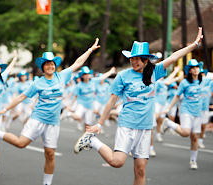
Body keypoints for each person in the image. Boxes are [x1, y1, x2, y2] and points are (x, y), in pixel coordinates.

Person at [74, 28, 203, 185]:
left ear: (146, 60)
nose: (134, 61)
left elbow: (174, 56)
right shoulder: (123, 76)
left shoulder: (154, 72)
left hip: (145, 128)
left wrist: (194, 45)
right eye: (132, 58)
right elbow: (111, 101)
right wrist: (99, 124)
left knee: (141, 170)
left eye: (138, 59)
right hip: (127, 125)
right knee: (117, 162)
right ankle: (92, 141)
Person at [0, 38, 101, 185]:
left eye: (52, 64)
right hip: (37, 119)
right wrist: (5, 109)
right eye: (47, 64)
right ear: (43, 67)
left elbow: (78, 63)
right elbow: (21, 97)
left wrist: (90, 50)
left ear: (55, 65)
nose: (50, 66)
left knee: (50, 154)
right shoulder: (37, 83)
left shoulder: (62, 76)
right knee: (21, 143)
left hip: (53, 122)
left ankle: (46, 183)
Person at [161, 58, 209, 170]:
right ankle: (168, 123)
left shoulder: (204, 81)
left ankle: (193, 160)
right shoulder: (184, 83)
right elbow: (177, 96)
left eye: (197, 67)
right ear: (189, 71)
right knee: (186, 133)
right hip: (186, 111)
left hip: (198, 113)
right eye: (193, 68)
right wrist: (168, 109)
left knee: (194, 137)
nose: (196, 69)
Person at [68, 66, 116, 131]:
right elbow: (75, 96)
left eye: (88, 74)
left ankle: (85, 139)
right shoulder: (79, 85)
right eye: (85, 74)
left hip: (90, 106)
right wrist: (71, 106)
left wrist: (111, 72)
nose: (87, 76)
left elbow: (102, 77)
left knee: (87, 125)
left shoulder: (93, 81)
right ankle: (69, 114)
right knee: (78, 117)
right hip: (81, 104)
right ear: (82, 76)